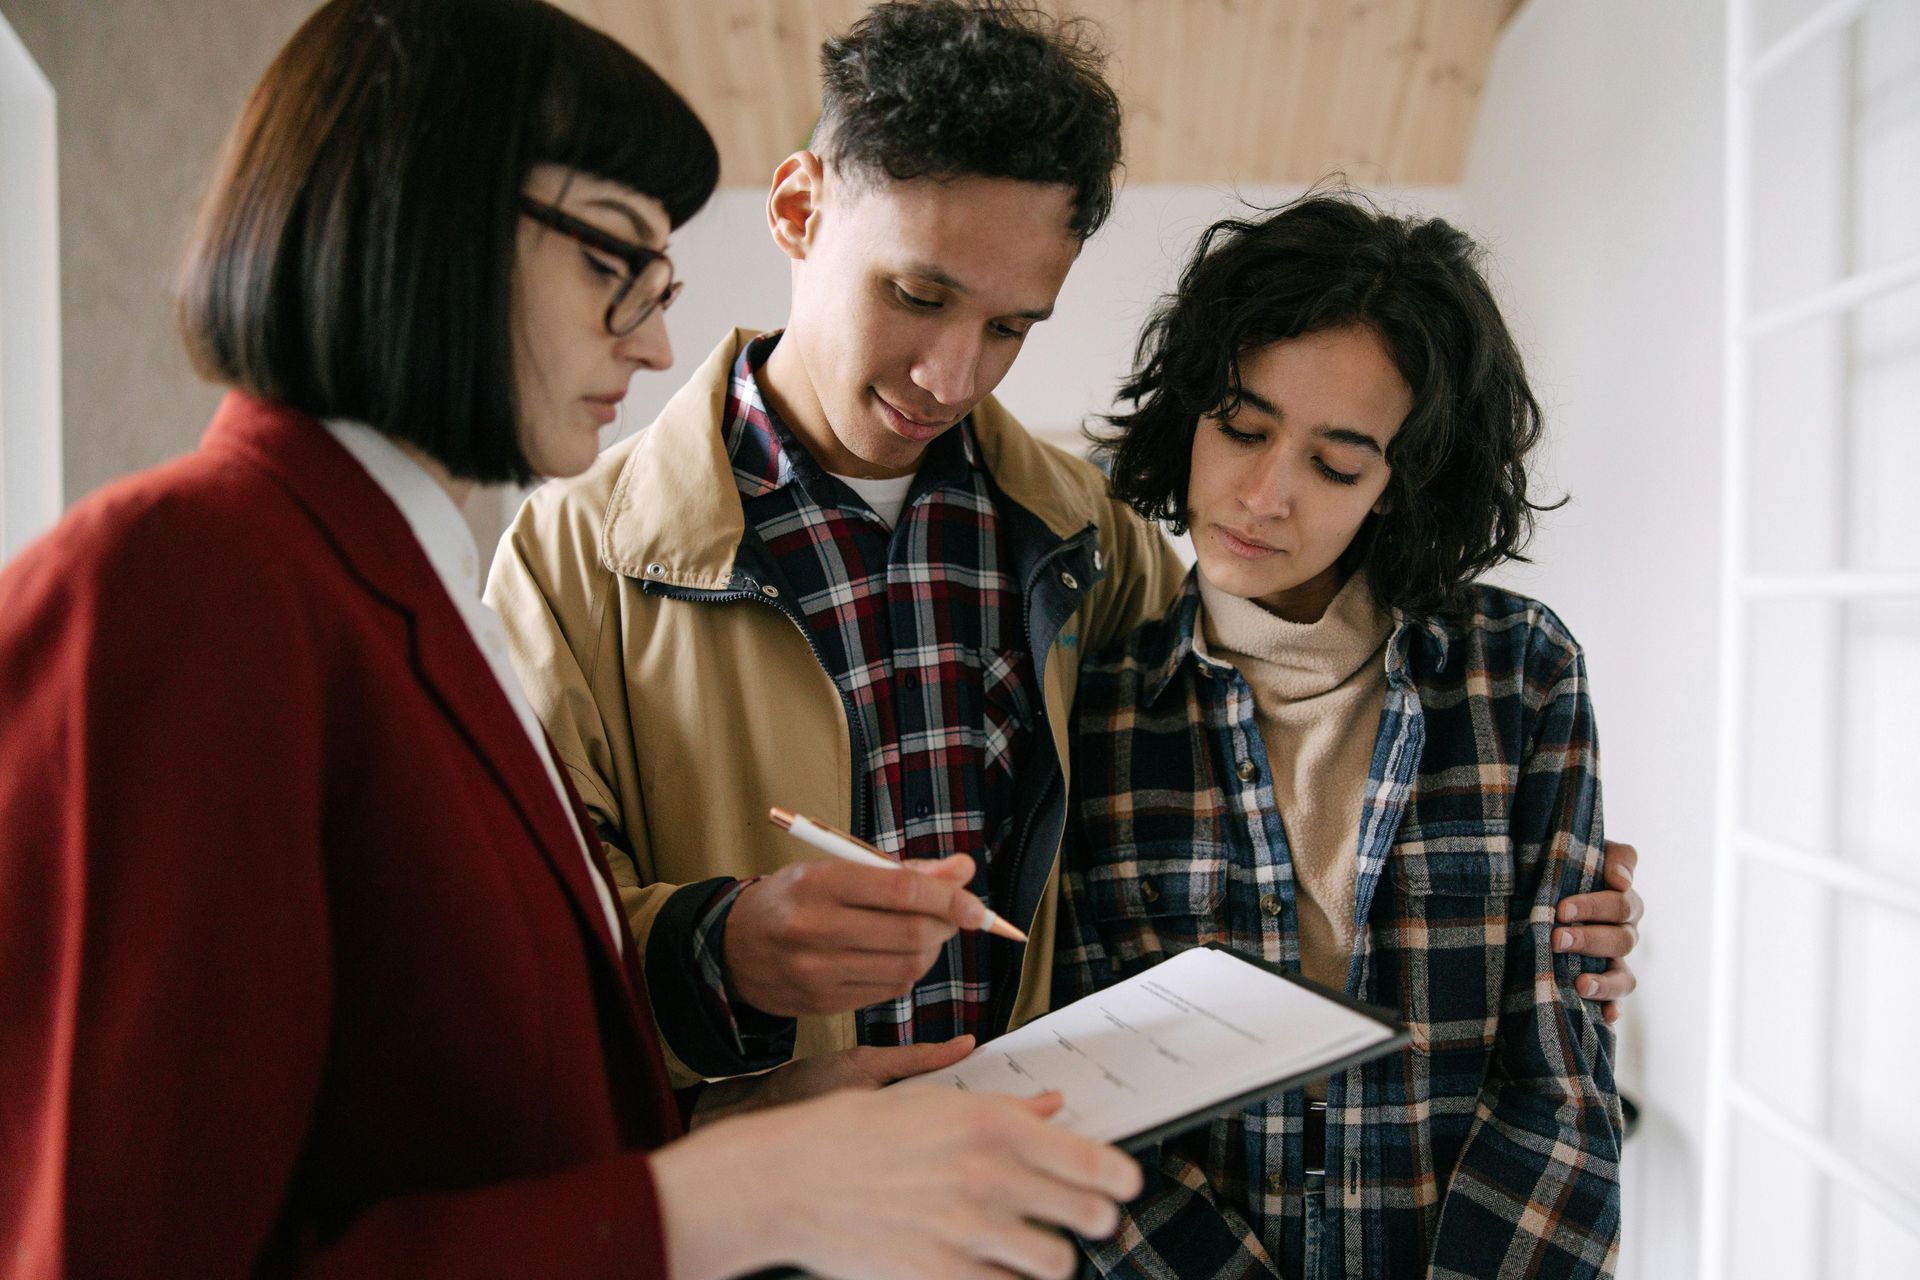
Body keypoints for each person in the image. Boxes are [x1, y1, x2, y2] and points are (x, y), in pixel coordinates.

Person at [0, 2, 1144, 1276]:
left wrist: (735, 1154)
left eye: (1008, 328)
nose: (656, 336)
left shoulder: (406, 593)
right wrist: (713, 1187)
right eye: (615, 262)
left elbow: (492, 1093)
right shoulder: (178, 581)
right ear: (425, 217)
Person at [487, 0, 1642, 1092]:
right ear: (797, 209)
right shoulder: (567, 564)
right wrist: (721, 952)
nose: (953, 376)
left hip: (1041, 1202)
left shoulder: (1089, 539)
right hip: (755, 1202)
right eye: (917, 295)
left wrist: (1527, 891)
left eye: (1010, 327)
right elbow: (510, 957)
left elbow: (1251, 784)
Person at [1054, 194, 1623, 1278]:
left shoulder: (1521, 672)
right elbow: (1088, 1101)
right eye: (1242, 425)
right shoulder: (1106, 710)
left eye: (1337, 461)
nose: (1265, 495)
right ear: (1191, 413)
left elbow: (1560, 1076)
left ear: (1401, 484)